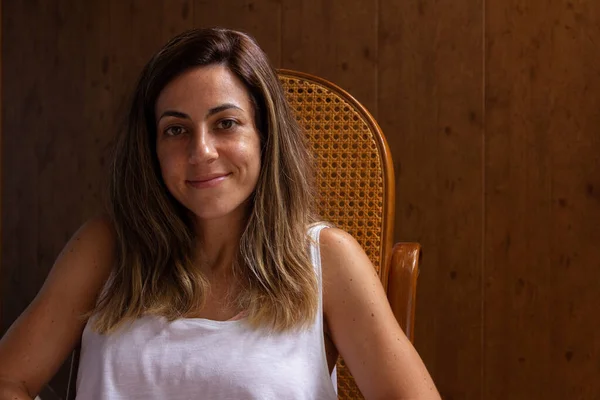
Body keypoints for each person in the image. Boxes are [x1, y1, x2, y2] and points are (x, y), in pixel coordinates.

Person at [0, 28, 440, 400]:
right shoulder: (105, 248)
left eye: (225, 123)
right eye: (176, 130)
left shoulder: (327, 259)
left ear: (265, 135)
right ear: (150, 150)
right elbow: (9, 379)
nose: (201, 151)